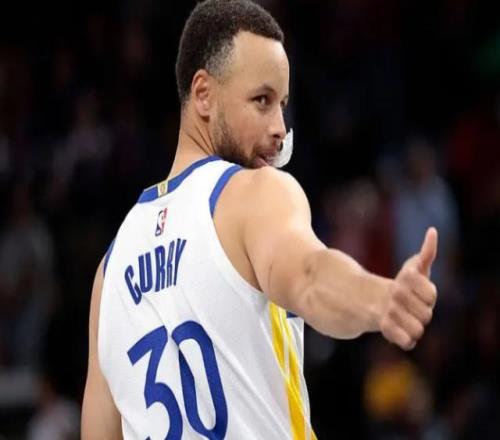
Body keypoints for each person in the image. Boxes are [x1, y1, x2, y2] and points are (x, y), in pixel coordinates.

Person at [81, 1, 438, 438]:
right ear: (203, 94)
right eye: (262, 101)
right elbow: (308, 276)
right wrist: (379, 299)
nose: (280, 129)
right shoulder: (253, 194)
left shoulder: (110, 271)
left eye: (282, 105)